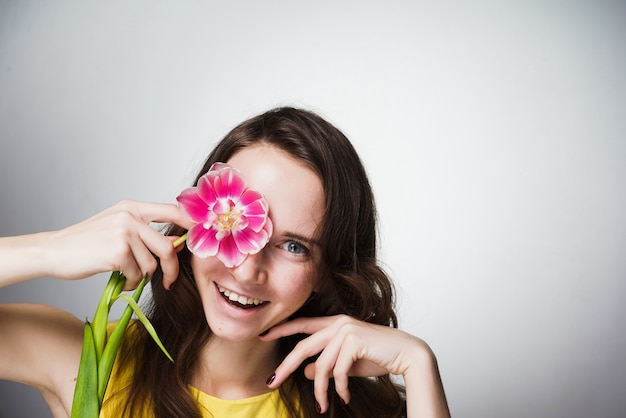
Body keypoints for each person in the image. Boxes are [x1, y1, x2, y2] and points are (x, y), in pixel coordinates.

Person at [0, 107, 450, 417]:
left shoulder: (353, 407)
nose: (247, 269)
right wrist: (48, 250)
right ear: (195, 221)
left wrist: (418, 362)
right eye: (231, 226)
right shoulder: (93, 362)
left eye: (294, 246)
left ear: (327, 271)